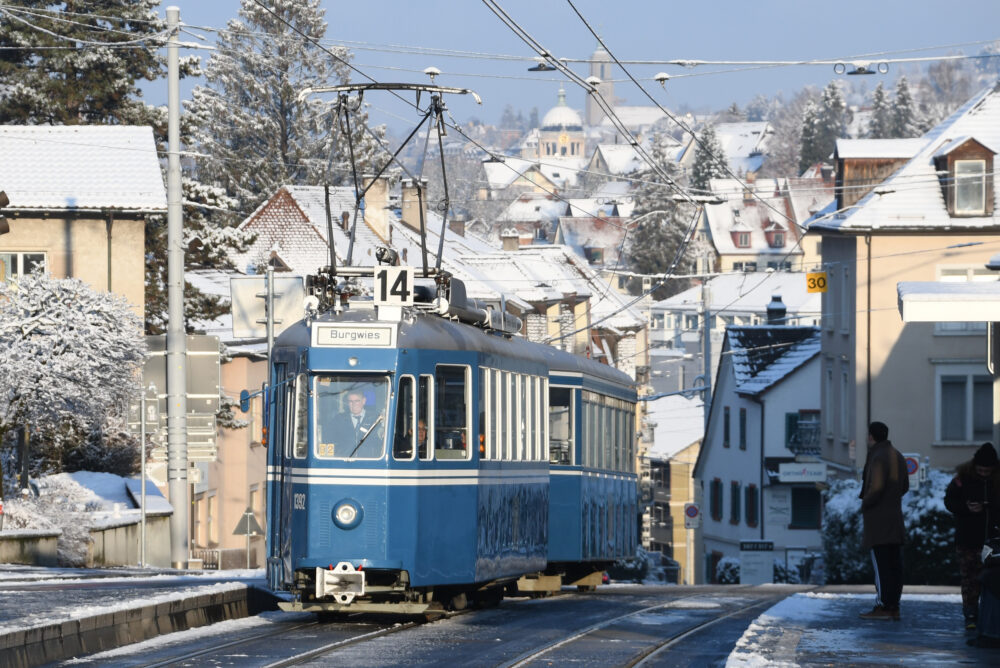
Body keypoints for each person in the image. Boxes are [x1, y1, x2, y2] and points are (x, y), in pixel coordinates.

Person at [945, 442, 1000, 629]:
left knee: (993, 579)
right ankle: (971, 615)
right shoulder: (963, 478)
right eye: (981, 470)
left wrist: (989, 508)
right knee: (970, 578)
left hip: (994, 539)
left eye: (988, 471)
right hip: (968, 538)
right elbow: (949, 500)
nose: (984, 473)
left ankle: (990, 616)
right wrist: (966, 508)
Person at [858, 421, 909, 621]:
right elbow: (904, 486)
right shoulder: (897, 455)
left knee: (881, 565)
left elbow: (875, 488)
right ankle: (893, 605)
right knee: (894, 564)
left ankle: (883, 606)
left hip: (878, 520)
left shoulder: (878, 457)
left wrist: (866, 503)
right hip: (895, 518)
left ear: (871, 437)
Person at [328, 388, 383, 457]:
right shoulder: (339, 419)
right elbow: (329, 439)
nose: (354, 404)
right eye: (350, 401)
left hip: (369, 462)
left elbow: (380, 440)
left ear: (364, 401)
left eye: (357, 401)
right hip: (346, 461)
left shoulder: (375, 418)